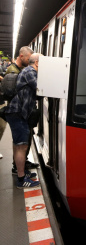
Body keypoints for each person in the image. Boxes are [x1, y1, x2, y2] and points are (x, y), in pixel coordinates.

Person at [5, 53, 42, 188]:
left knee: (18, 145)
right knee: (22, 146)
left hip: (17, 113)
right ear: (37, 62)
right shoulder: (30, 71)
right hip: (18, 113)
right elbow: (40, 88)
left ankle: (21, 172)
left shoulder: (27, 71)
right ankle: (21, 180)